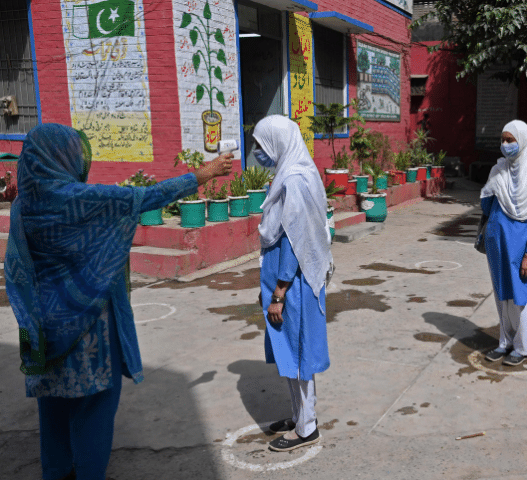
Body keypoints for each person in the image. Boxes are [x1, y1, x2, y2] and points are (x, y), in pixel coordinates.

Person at [5, 123, 232, 480]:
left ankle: (56, 472)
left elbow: (17, 269)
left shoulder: (23, 205)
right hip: (90, 329)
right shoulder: (82, 199)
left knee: (52, 412)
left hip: (40, 327)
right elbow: (144, 198)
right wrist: (201, 176)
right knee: (93, 409)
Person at [252, 115, 333, 452]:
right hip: (282, 283)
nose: (257, 151)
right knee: (289, 354)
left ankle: (307, 427)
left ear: (278, 141)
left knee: (299, 357)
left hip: (293, 284)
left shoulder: (295, 180)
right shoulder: (289, 173)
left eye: (260, 144)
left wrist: (279, 293)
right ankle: (299, 416)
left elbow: (292, 242)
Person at [480, 120, 527, 366]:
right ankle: (505, 342)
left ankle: (523, 346)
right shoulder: (498, 170)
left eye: (510, 139)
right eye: (503, 139)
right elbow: (487, 206)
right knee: (502, 294)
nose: (505, 144)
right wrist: (492, 186)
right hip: (497, 243)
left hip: (521, 246)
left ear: (522, 140)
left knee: (521, 296)